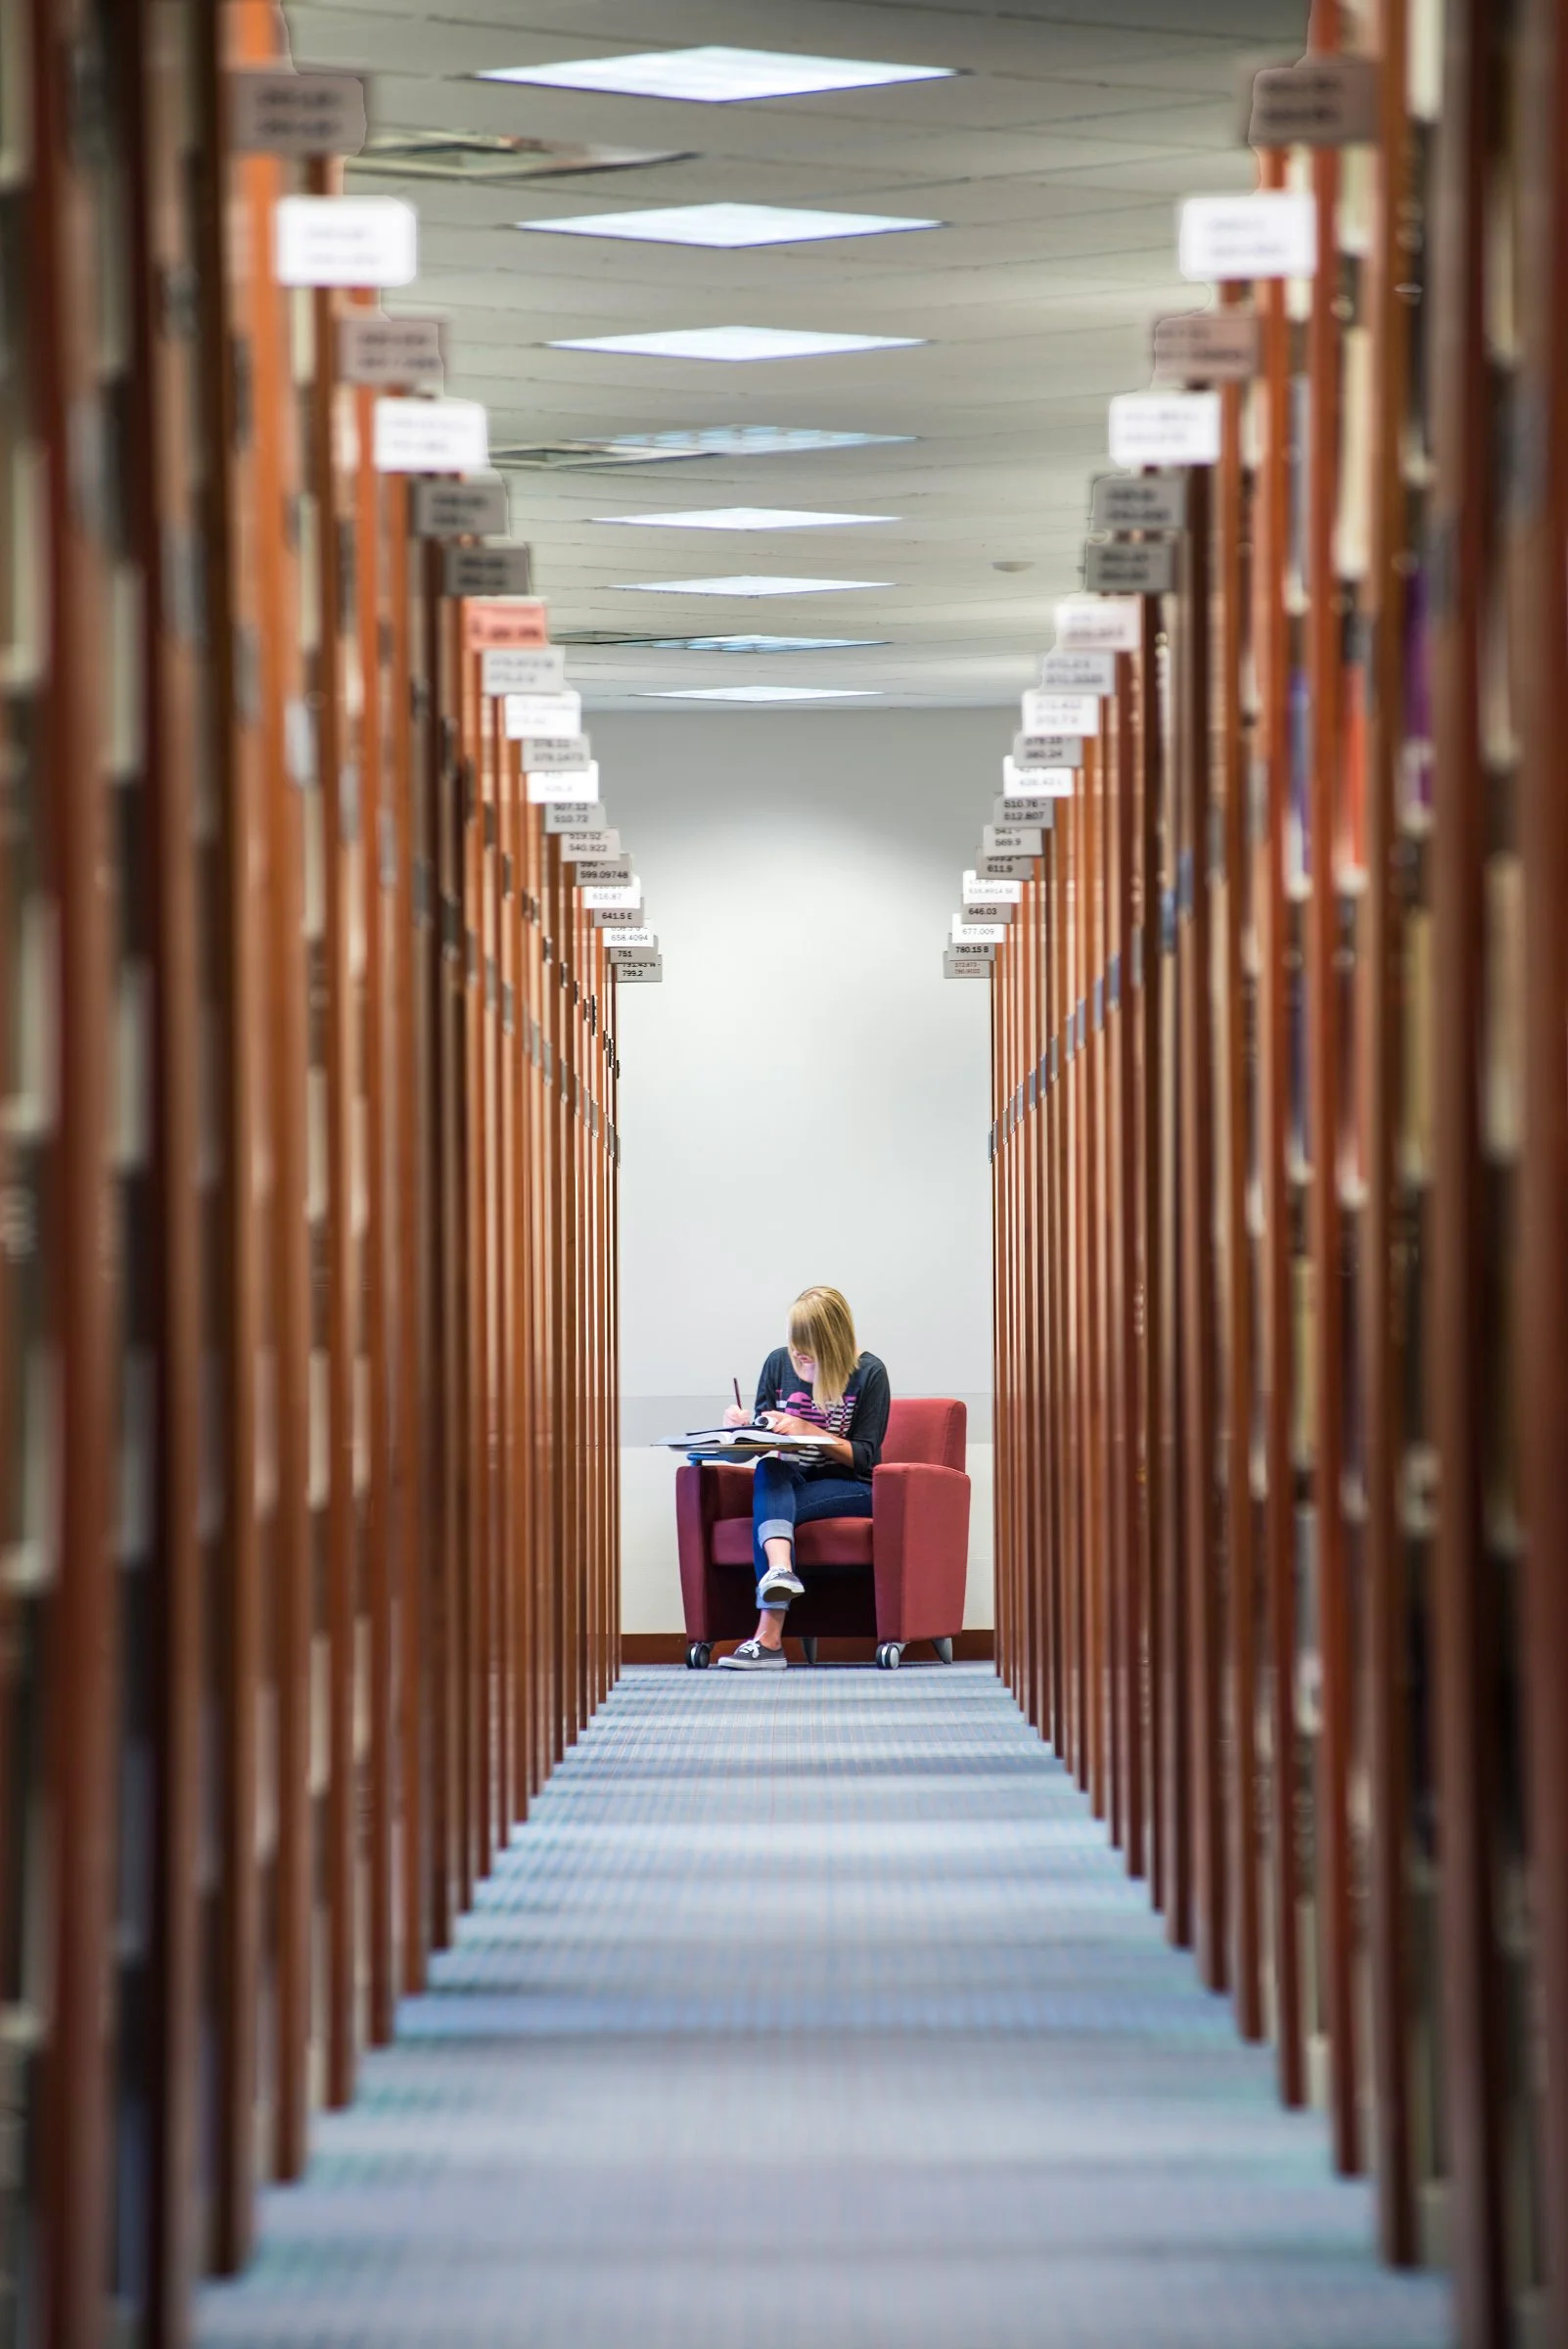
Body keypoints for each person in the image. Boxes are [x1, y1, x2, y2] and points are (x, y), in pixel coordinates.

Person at [715, 1285, 890, 1672]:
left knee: (771, 1515)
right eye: (795, 1343)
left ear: (832, 1342)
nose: (798, 1354)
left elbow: (865, 1457)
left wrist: (808, 1430)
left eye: (808, 1346)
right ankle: (781, 1571)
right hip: (791, 1479)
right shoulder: (778, 1364)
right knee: (770, 1469)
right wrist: (738, 1430)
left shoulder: (869, 1372)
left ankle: (769, 1639)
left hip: (852, 1485)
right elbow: (759, 1446)